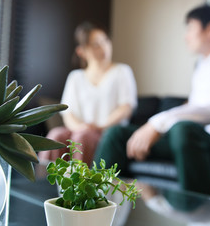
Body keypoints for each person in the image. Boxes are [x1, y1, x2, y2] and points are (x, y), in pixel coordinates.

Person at [94, 5, 210, 195]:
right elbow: (196, 106)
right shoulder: (203, 65)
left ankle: (196, 213)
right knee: (117, 134)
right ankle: (95, 203)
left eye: (190, 28)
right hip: (190, 142)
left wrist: (156, 124)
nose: (186, 36)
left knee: (184, 128)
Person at [38, 22, 137, 166]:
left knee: (82, 138)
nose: (103, 47)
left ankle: (81, 187)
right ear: (81, 51)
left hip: (106, 133)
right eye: (96, 44)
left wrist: (98, 126)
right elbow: (68, 113)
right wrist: (80, 127)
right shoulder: (75, 77)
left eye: (105, 41)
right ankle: (43, 185)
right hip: (80, 130)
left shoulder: (122, 71)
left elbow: (125, 108)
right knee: (56, 135)